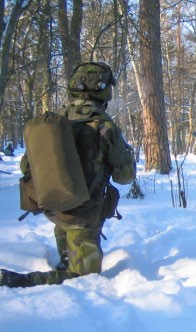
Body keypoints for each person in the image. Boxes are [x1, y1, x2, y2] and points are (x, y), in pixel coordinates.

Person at [0, 61, 136, 288]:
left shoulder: (52, 121)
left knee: (69, 243)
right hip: (83, 218)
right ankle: (22, 280)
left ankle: (66, 257)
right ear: (105, 92)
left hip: (54, 208)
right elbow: (125, 177)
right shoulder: (104, 128)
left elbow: (26, 166)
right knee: (84, 279)